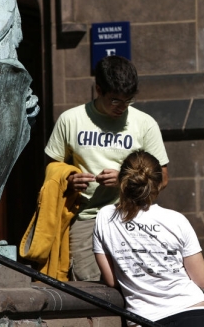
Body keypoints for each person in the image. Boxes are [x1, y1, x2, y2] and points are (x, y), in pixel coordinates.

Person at [44, 56, 169, 281]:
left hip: (132, 214)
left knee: (138, 278)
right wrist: (69, 179)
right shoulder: (70, 120)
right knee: (87, 281)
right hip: (85, 217)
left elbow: (163, 178)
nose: (122, 107)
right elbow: (52, 169)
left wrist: (124, 179)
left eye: (128, 100)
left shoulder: (144, 124)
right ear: (98, 90)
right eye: (115, 101)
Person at [93, 151, 204, 327]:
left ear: (122, 181)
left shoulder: (105, 217)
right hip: (193, 312)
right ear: (158, 184)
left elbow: (112, 280)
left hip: (144, 318)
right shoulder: (176, 219)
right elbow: (201, 279)